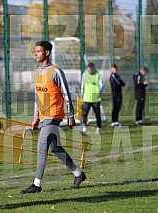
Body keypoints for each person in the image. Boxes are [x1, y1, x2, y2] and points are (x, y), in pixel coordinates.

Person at [20, 41, 86, 194]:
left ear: (47, 53)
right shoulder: (37, 72)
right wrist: (36, 117)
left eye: (39, 51)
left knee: (41, 145)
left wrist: (70, 115)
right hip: (43, 116)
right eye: (35, 51)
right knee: (55, 148)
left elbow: (66, 94)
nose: (35, 54)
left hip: (54, 115)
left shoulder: (56, 71)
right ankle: (78, 173)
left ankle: (37, 184)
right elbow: (38, 97)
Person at [80, 62, 103, 135]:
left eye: (91, 70)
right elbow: (82, 87)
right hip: (86, 98)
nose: (90, 71)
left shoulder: (97, 74)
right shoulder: (84, 75)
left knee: (97, 114)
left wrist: (99, 92)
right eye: (89, 70)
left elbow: (101, 85)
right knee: (84, 114)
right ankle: (84, 128)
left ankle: (98, 128)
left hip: (95, 98)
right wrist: (81, 97)